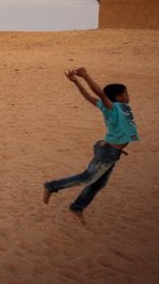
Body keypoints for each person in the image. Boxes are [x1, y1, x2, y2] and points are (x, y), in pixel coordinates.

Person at [42, 67, 140, 225]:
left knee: (98, 183)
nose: (129, 96)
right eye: (126, 93)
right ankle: (51, 186)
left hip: (111, 151)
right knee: (87, 177)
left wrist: (76, 83)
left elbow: (88, 97)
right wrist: (85, 76)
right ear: (119, 96)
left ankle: (77, 207)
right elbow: (99, 93)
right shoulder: (112, 107)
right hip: (108, 152)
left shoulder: (121, 108)